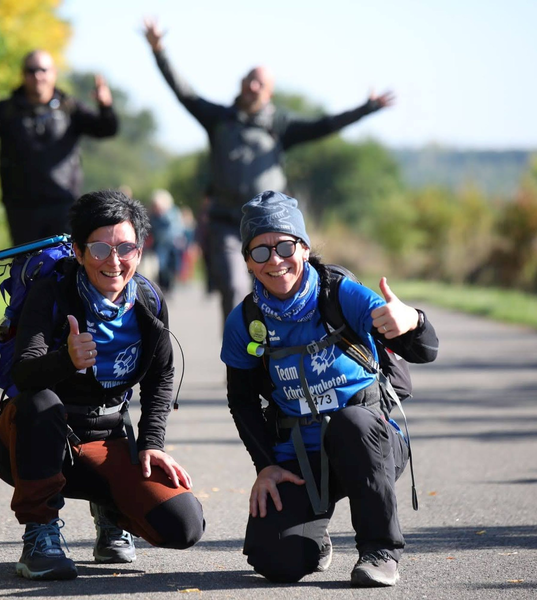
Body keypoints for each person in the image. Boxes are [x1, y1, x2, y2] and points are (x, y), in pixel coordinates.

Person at [0, 189, 205, 580]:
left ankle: (111, 511)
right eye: (100, 248)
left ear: (140, 250)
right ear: (78, 250)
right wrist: (66, 360)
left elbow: (161, 373)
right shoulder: (51, 292)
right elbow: (24, 373)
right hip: (27, 440)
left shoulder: (149, 300)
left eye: (125, 248)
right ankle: (40, 535)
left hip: (105, 438)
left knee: (183, 526)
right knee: (41, 404)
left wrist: (151, 444)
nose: (114, 261)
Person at [220, 191, 438, 587]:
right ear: (248, 261)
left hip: (371, 443)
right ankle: (314, 540)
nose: (275, 260)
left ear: (303, 248)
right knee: (277, 563)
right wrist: (266, 465)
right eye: (260, 251)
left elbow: (425, 351)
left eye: (285, 245)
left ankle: (380, 550)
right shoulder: (245, 320)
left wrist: (412, 320)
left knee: (351, 423)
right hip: (301, 456)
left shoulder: (340, 294)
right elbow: (241, 401)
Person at [143, 18, 394, 328]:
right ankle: (241, 361)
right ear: (241, 82)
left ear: (269, 93)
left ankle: (275, 358)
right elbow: (184, 93)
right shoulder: (220, 119)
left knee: (276, 289)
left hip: (269, 225)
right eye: (249, 79)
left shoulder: (279, 126)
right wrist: (158, 50)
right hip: (226, 223)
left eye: (260, 83)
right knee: (234, 288)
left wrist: (365, 109)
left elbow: (324, 125)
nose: (252, 86)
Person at [0, 50, 118, 246]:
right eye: (31, 70)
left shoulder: (70, 108)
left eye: (43, 70)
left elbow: (106, 130)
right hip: (21, 208)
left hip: (64, 205)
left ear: (53, 73)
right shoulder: (7, 109)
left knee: (64, 267)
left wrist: (106, 107)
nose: (37, 76)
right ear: (23, 75)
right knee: (28, 271)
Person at [148, 189, 186, 293]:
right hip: (159, 245)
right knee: (161, 266)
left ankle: (169, 287)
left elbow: (179, 228)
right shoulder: (153, 216)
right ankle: (162, 287)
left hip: (173, 244)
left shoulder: (173, 213)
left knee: (172, 267)